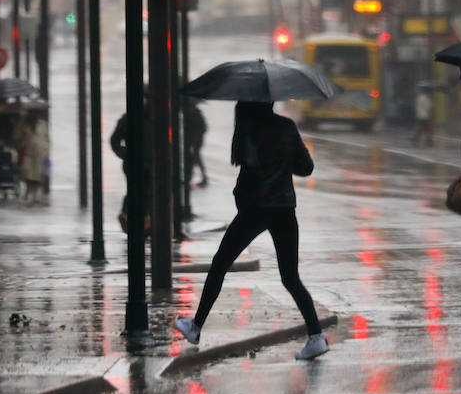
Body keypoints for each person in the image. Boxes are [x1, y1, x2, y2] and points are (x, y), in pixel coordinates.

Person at [174, 101, 329, 360]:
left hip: (255, 210)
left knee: (220, 264)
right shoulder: (286, 126)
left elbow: (249, 175)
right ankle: (316, 337)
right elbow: (306, 168)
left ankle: (195, 326)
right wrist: (284, 158)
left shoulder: (248, 130)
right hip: (284, 208)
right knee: (291, 278)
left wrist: (242, 193)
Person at [110, 95, 152, 234]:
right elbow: (115, 139)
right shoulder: (128, 119)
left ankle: (144, 219)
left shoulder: (155, 117)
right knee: (136, 190)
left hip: (151, 163)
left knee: (147, 191)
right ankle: (131, 216)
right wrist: (126, 154)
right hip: (133, 164)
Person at [12, 105, 49, 203]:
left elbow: (47, 138)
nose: (33, 114)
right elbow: (16, 135)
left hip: (39, 152)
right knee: (27, 172)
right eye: (31, 112)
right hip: (27, 151)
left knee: (37, 174)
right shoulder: (23, 123)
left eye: (35, 112)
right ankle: (28, 191)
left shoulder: (43, 124)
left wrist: (46, 151)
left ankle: (35, 194)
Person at [185, 100, 209, 188]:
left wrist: (197, 135)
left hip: (197, 141)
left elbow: (204, 128)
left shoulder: (197, 115)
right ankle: (198, 177)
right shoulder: (189, 114)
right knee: (194, 158)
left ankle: (203, 177)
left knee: (195, 158)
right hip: (191, 140)